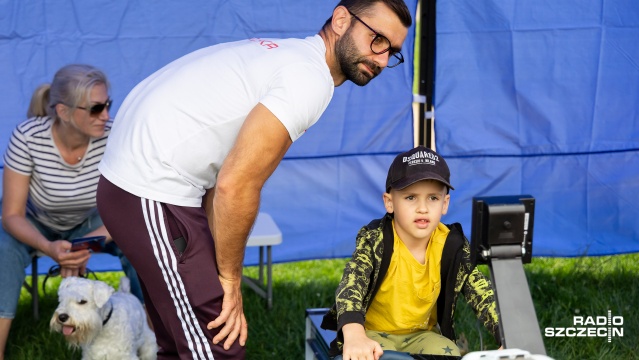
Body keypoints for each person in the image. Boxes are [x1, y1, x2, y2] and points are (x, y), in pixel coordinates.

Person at [95, 0, 412, 358]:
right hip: (149, 188)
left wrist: (216, 267)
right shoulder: (309, 78)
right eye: (377, 40)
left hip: (139, 185)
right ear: (341, 20)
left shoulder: (291, 57)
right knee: (218, 347)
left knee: (179, 340)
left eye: (393, 52)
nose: (383, 60)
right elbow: (237, 184)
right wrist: (229, 280)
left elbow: (222, 176)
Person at [0, 64, 144, 360]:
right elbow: (11, 214)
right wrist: (49, 247)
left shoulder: (115, 135)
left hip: (94, 222)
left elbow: (133, 208)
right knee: (3, 251)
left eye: (107, 105)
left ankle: (155, 337)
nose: (105, 115)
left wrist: (84, 244)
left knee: (144, 241)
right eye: (95, 108)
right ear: (64, 112)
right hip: (35, 223)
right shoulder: (28, 137)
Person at [320, 145, 501, 360]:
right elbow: (352, 284)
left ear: (445, 204)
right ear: (389, 202)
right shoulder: (375, 240)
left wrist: (508, 336)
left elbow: (481, 293)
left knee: (450, 353)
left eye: (432, 198)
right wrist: (354, 334)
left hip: (422, 335)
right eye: (410, 197)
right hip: (372, 333)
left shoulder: (452, 245)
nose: (422, 208)